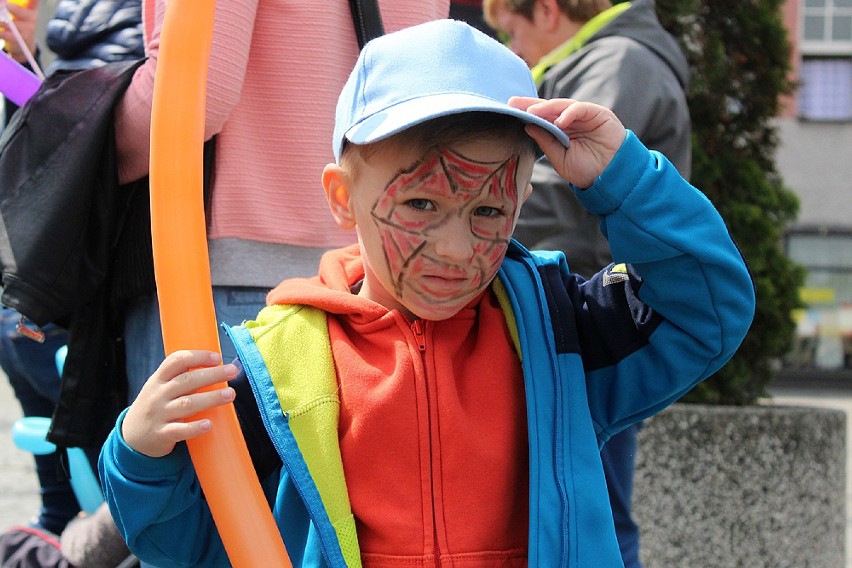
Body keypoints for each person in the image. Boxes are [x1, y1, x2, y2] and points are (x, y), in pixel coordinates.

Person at [99, 19, 754, 567]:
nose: (453, 247)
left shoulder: (562, 336)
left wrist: (626, 178)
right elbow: (185, 547)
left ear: (524, 200)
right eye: (419, 202)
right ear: (340, 197)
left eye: (489, 214)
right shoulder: (280, 374)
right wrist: (139, 455)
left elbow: (707, 307)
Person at [114, 1, 450, 408]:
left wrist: (75, 145)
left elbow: (194, 94)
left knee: (187, 464)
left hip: (233, 272)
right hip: (375, 274)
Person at [483, 1, 691, 565]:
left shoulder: (617, 62)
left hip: (586, 321)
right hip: (578, 311)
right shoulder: (604, 61)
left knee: (594, 505)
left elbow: (568, 189)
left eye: (512, 30)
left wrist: (473, 206)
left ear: (547, 10)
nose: (516, 50)